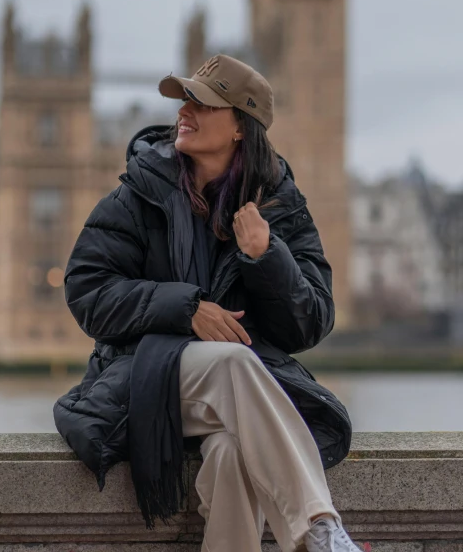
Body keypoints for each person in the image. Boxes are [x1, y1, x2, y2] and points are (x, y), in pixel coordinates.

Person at [54, 54, 358, 552]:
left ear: (242, 126)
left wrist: (266, 257)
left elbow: (311, 324)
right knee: (234, 362)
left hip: (237, 399)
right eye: (184, 100)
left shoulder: (281, 210)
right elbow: (88, 292)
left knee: (232, 453)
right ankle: (316, 530)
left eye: (203, 102)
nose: (184, 111)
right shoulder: (139, 194)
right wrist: (185, 308)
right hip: (142, 377)